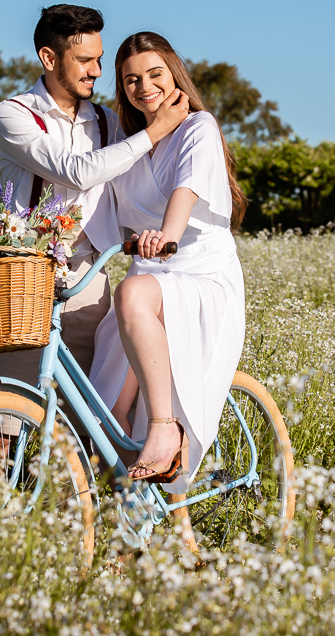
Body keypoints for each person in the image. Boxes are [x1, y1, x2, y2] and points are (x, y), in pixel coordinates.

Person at [0, 5, 189, 397]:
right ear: (49, 58)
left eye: (98, 59)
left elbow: (136, 185)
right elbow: (75, 171)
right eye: (84, 60)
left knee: (87, 408)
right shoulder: (13, 114)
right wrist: (154, 131)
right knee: (10, 407)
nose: (96, 70)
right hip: (26, 276)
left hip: (90, 278)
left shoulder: (107, 121)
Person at [89, 32, 247, 493]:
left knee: (132, 292)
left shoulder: (199, 127)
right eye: (131, 79)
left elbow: (187, 189)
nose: (144, 87)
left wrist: (167, 236)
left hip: (199, 271)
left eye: (154, 74)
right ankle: (134, 519)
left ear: (174, 74)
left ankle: (165, 427)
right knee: (106, 415)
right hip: (148, 277)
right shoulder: (128, 142)